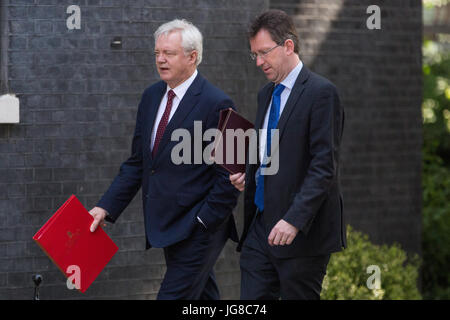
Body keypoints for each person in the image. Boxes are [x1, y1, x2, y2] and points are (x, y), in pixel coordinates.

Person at [89, 19, 240, 300]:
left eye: (168, 53)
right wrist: (105, 207)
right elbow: (139, 163)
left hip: (199, 228)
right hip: (167, 225)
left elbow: (230, 176)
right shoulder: (150, 97)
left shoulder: (219, 103)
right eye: (157, 53)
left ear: (192, 56)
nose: (160, 60)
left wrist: (204, 220)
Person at [230, 9, 346, 300]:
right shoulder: (265, 95)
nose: (258, 62)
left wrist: (293, 219)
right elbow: (273, 150)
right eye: (254, 54)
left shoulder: (321, 93)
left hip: (302, 234)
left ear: (288, 46)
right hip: (260, 227)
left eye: (264, 53)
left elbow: (323, 167)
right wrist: (253, 174)